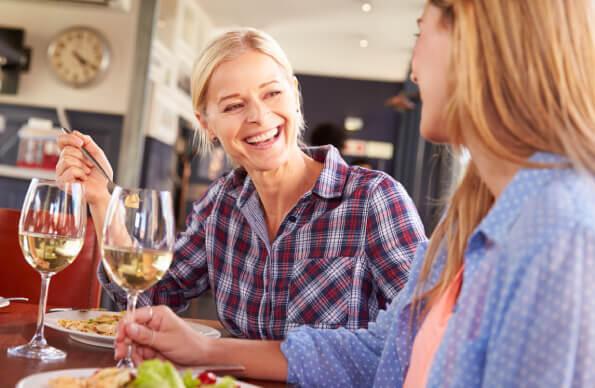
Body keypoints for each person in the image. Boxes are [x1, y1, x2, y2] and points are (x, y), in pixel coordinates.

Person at [114, 0, 595, 386]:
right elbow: (384, 350)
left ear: (476, 43)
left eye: (420, 32)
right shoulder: (471, 217)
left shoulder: (563, 236)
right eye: (235, 105)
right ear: (208, 125)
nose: (412, 68)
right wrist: (205, 350)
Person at [56, 28, 426, 340]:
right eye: (233, 106)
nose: (259, 116)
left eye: (272, 93)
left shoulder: (374, 199)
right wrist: (100, 200)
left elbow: (423, 334)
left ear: (294, 96)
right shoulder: (222, 204)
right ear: (206, 124)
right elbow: (149, 293)